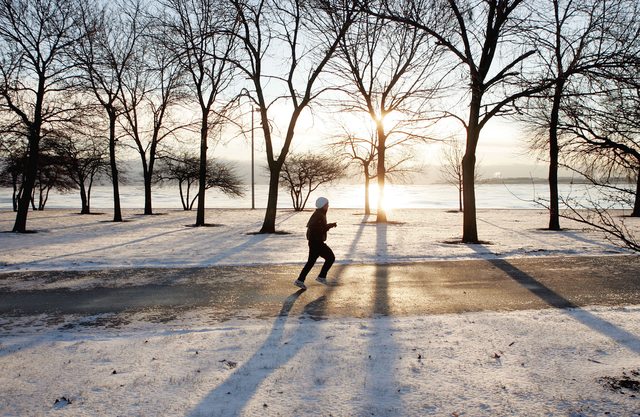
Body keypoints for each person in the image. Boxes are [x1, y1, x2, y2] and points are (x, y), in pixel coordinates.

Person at [294, 196, 337, 290]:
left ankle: (300, 280)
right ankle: (321, 277)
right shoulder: (319, 215)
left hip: (314, 242)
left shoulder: (319, 214)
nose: (328, 206)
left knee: (311, 262)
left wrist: (328, 226)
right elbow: (315, 228)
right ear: (323, 205)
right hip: (317, 243)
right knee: (331, 258)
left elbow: (318, 227)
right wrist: (329, 226)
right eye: (327, 204)